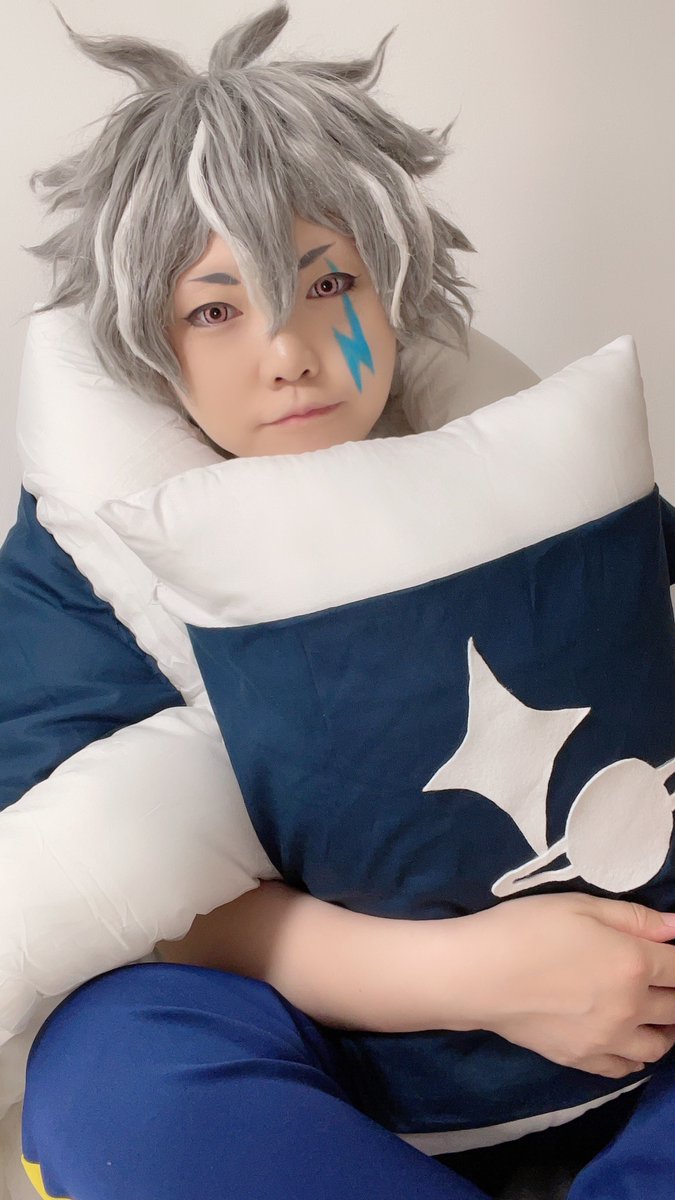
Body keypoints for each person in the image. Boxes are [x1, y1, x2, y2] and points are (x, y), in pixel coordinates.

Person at [10, 5, 675, 1199]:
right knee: (111, 1064)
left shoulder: (519, 462)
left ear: (393, 288)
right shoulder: (80, 556)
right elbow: (106, 891)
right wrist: (474, 976)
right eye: (216, 308)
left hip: (636, 985)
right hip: (327, 1030)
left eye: (327, 282)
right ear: (151, 343)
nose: (292, 352)